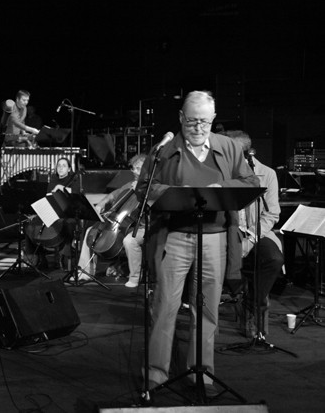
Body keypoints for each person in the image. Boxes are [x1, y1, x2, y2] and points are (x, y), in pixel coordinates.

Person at [136, 91, 259, 394]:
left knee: (206, 311)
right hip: (175, 236)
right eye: (192, 121)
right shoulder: (164, 149)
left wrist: (221, 187)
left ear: (213, 119)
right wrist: (172, 194)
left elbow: (250, 182)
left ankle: (201, 374)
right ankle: (156, 374)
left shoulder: (229, 147)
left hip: (214, 239)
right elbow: (143, 188)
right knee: (165, 306)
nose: (198, 127)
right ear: (181, 117)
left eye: (204, 122)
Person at [224, 130, 284, 338]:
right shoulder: (219, 172)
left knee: (274, 259)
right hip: (227, 230)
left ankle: (252, 305)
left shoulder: (267, 174)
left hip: (256, 231)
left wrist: (250, 239)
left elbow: (271, 213)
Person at [78, 154, 147, 287]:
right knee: (91, 232)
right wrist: (101, 204)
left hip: (140, 226)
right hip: (123, 223)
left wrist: (140, 191)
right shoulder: (129, 184)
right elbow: (112, 195)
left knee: (129, 241)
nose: (135, 172)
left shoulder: (151, 186)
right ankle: (85, 272)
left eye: (138, 169)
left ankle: (135, 277)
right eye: (134, 168)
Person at [23, 157, 81, 268]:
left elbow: (76, 193)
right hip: (53, 211)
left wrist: (61, 187)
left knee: (69, 224)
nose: (61, 168)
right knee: (31, 224)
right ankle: (38, 257)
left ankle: (64, 255)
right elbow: (48, 198)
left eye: (64, 166)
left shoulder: (74, 179)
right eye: (59, 165)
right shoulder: (53, 180)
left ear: (69, 169)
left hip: (67, 213)